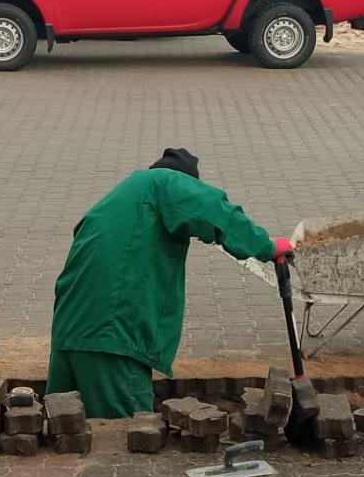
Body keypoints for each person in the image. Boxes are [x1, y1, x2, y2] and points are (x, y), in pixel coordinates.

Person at [48, 148, 294, 418]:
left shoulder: (123, 196)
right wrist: (267, 246)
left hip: (68, 330)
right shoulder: (166, 183)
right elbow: (213, 209)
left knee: (65, 428)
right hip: (112, 333)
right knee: (128, 432)